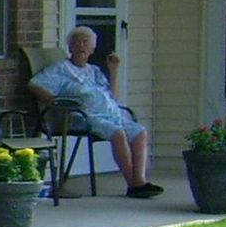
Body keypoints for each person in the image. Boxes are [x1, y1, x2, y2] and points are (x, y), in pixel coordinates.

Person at [30, 26, 160, 198]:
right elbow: (34, 84)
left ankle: (140, 180)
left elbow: (113, 97)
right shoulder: (61, 68)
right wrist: (53, 101)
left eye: (85, 42)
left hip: (111, 115)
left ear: (92, 49)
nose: (81, 46)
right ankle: (134, 184)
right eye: (76, 42)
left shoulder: (95, 71)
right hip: (82, 117)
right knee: (118, 133)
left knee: (140, 132)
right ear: (70, 48)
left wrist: (114, 70)